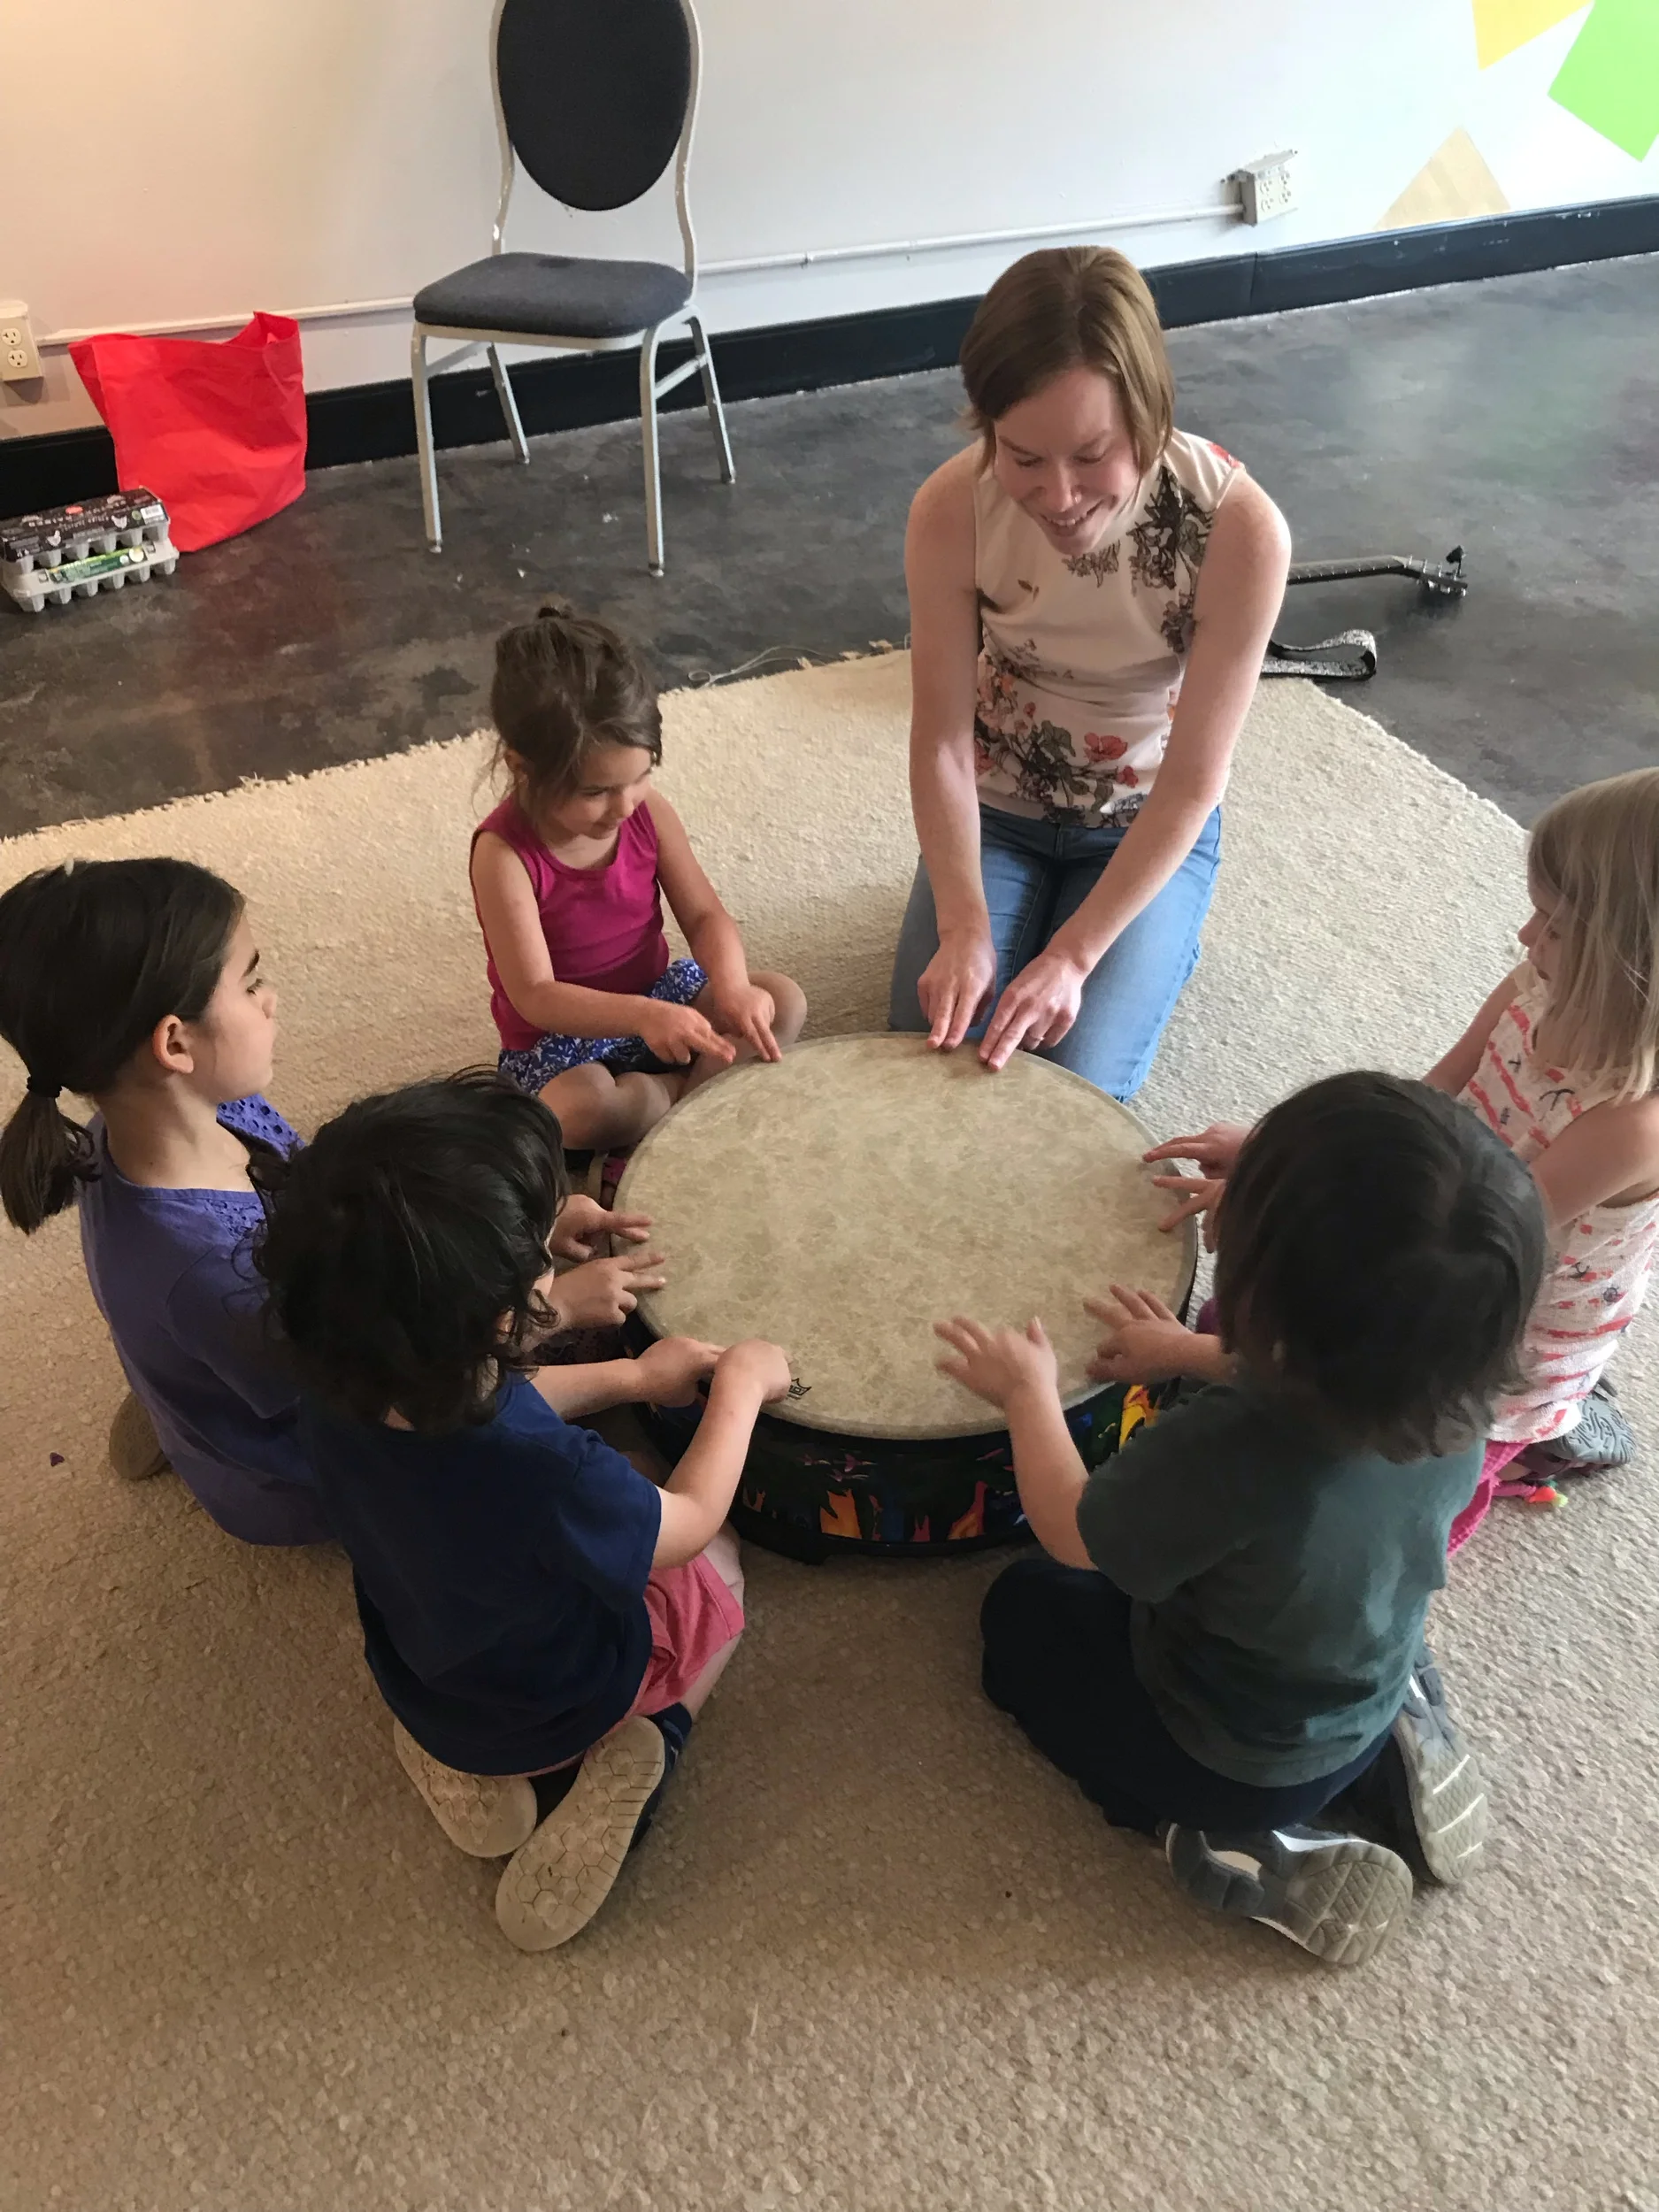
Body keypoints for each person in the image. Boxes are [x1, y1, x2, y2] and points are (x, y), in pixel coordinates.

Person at [934, 1073, 1546, 1968]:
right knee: (1343, 1592)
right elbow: (1335, 1372)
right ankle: (1403, 1732)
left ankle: (1232, 1837)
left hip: (1232, 1755)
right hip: (1365, 1680)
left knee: (1022, 1611)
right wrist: (1190, 1352)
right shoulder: (1452, 1389)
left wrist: (1031, 1396)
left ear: (1266, 1289)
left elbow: (1074, 1529)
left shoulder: (1235, 1450)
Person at [255, 1070, 791, 1953]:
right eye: (541, 1250)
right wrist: (739, 1384)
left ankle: (457, 1756)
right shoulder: (548, 1471)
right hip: (573, 1695)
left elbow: (484, 1386)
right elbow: (685, 1523)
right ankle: (657, 1732)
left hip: (424, 1675)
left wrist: (624, 1372)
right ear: (501, 1317)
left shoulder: (335, 1383)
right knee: (721, 1570)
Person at [0, 858, 654, 1545]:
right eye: (250, 983)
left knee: (231, 1339)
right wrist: (558, 1314)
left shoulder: (175, 1112)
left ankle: (196, 1393)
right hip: (315, 1462)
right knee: (567, 1468)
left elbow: (351, 1218)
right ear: (174, 1043)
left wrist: (521, 1228)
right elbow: (398, 1395)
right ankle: (219, 1418)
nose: (271, 998)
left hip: (270, 1337)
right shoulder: (209, 1270)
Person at [1147, 767, 1659, 1547]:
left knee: (1367, 1509)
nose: (1525, 938)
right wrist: (1279, 1153)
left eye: (1553, 926)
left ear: (1631, 963)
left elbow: (1440, 1255)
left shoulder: (1630, 1127)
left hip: (1477, 1318)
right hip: (1442, 1230)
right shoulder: (1535, 982)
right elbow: (1419, 1110)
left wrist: (1273, 1200)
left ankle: (1540, 1436)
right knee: (1240, 1325)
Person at [888, 244, 1289, 1099]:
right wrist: (963, 922)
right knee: (930, 1069)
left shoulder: (1238, 530)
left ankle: (1127, 932)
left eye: (1090, 454)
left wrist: (1073, 957)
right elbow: (943, 747)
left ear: (1147, 414)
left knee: (1067, 1094)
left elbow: (1192, 781)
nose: (1059, 496)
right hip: (994, 808)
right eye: (1022, 457)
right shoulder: (950, 508)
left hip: (1144, 819)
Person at [471, 603, 807, 1155]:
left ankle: (670, 1108)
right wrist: (644, 1018)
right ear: (521, 767)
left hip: (657, 994)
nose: (623, 806)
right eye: (595, 791)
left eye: (642, 776)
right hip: (562, 1039)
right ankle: (686, 1101)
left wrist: (732, 985)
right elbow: (536, 994)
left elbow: (704, 916)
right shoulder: (503, 854)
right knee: (578, 1113)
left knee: (781, 1001)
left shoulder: (648, 814)